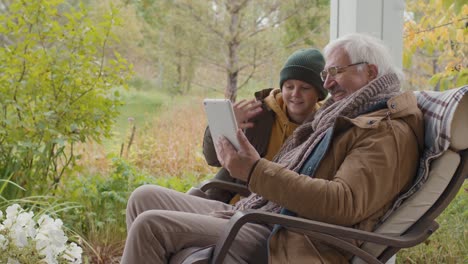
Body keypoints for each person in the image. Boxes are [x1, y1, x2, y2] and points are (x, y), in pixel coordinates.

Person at [121, 33, 424, 264]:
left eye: (336, 72)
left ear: (369, 73)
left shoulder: (386, 131)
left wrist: (254, 170)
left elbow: (342, 204)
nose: (328, 83)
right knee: (143, 196)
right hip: (266, 212)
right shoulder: (345, 116)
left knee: (151, 226)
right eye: (326, 74)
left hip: (292, 235)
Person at [197, 48, 328, 202]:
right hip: (226, 200)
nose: (295, 94)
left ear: (319, 93)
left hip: (268, 213)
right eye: (289, 86)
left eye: (305, 88)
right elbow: (213, 159)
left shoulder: (324, 128)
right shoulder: (257, 114)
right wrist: (223, 123)